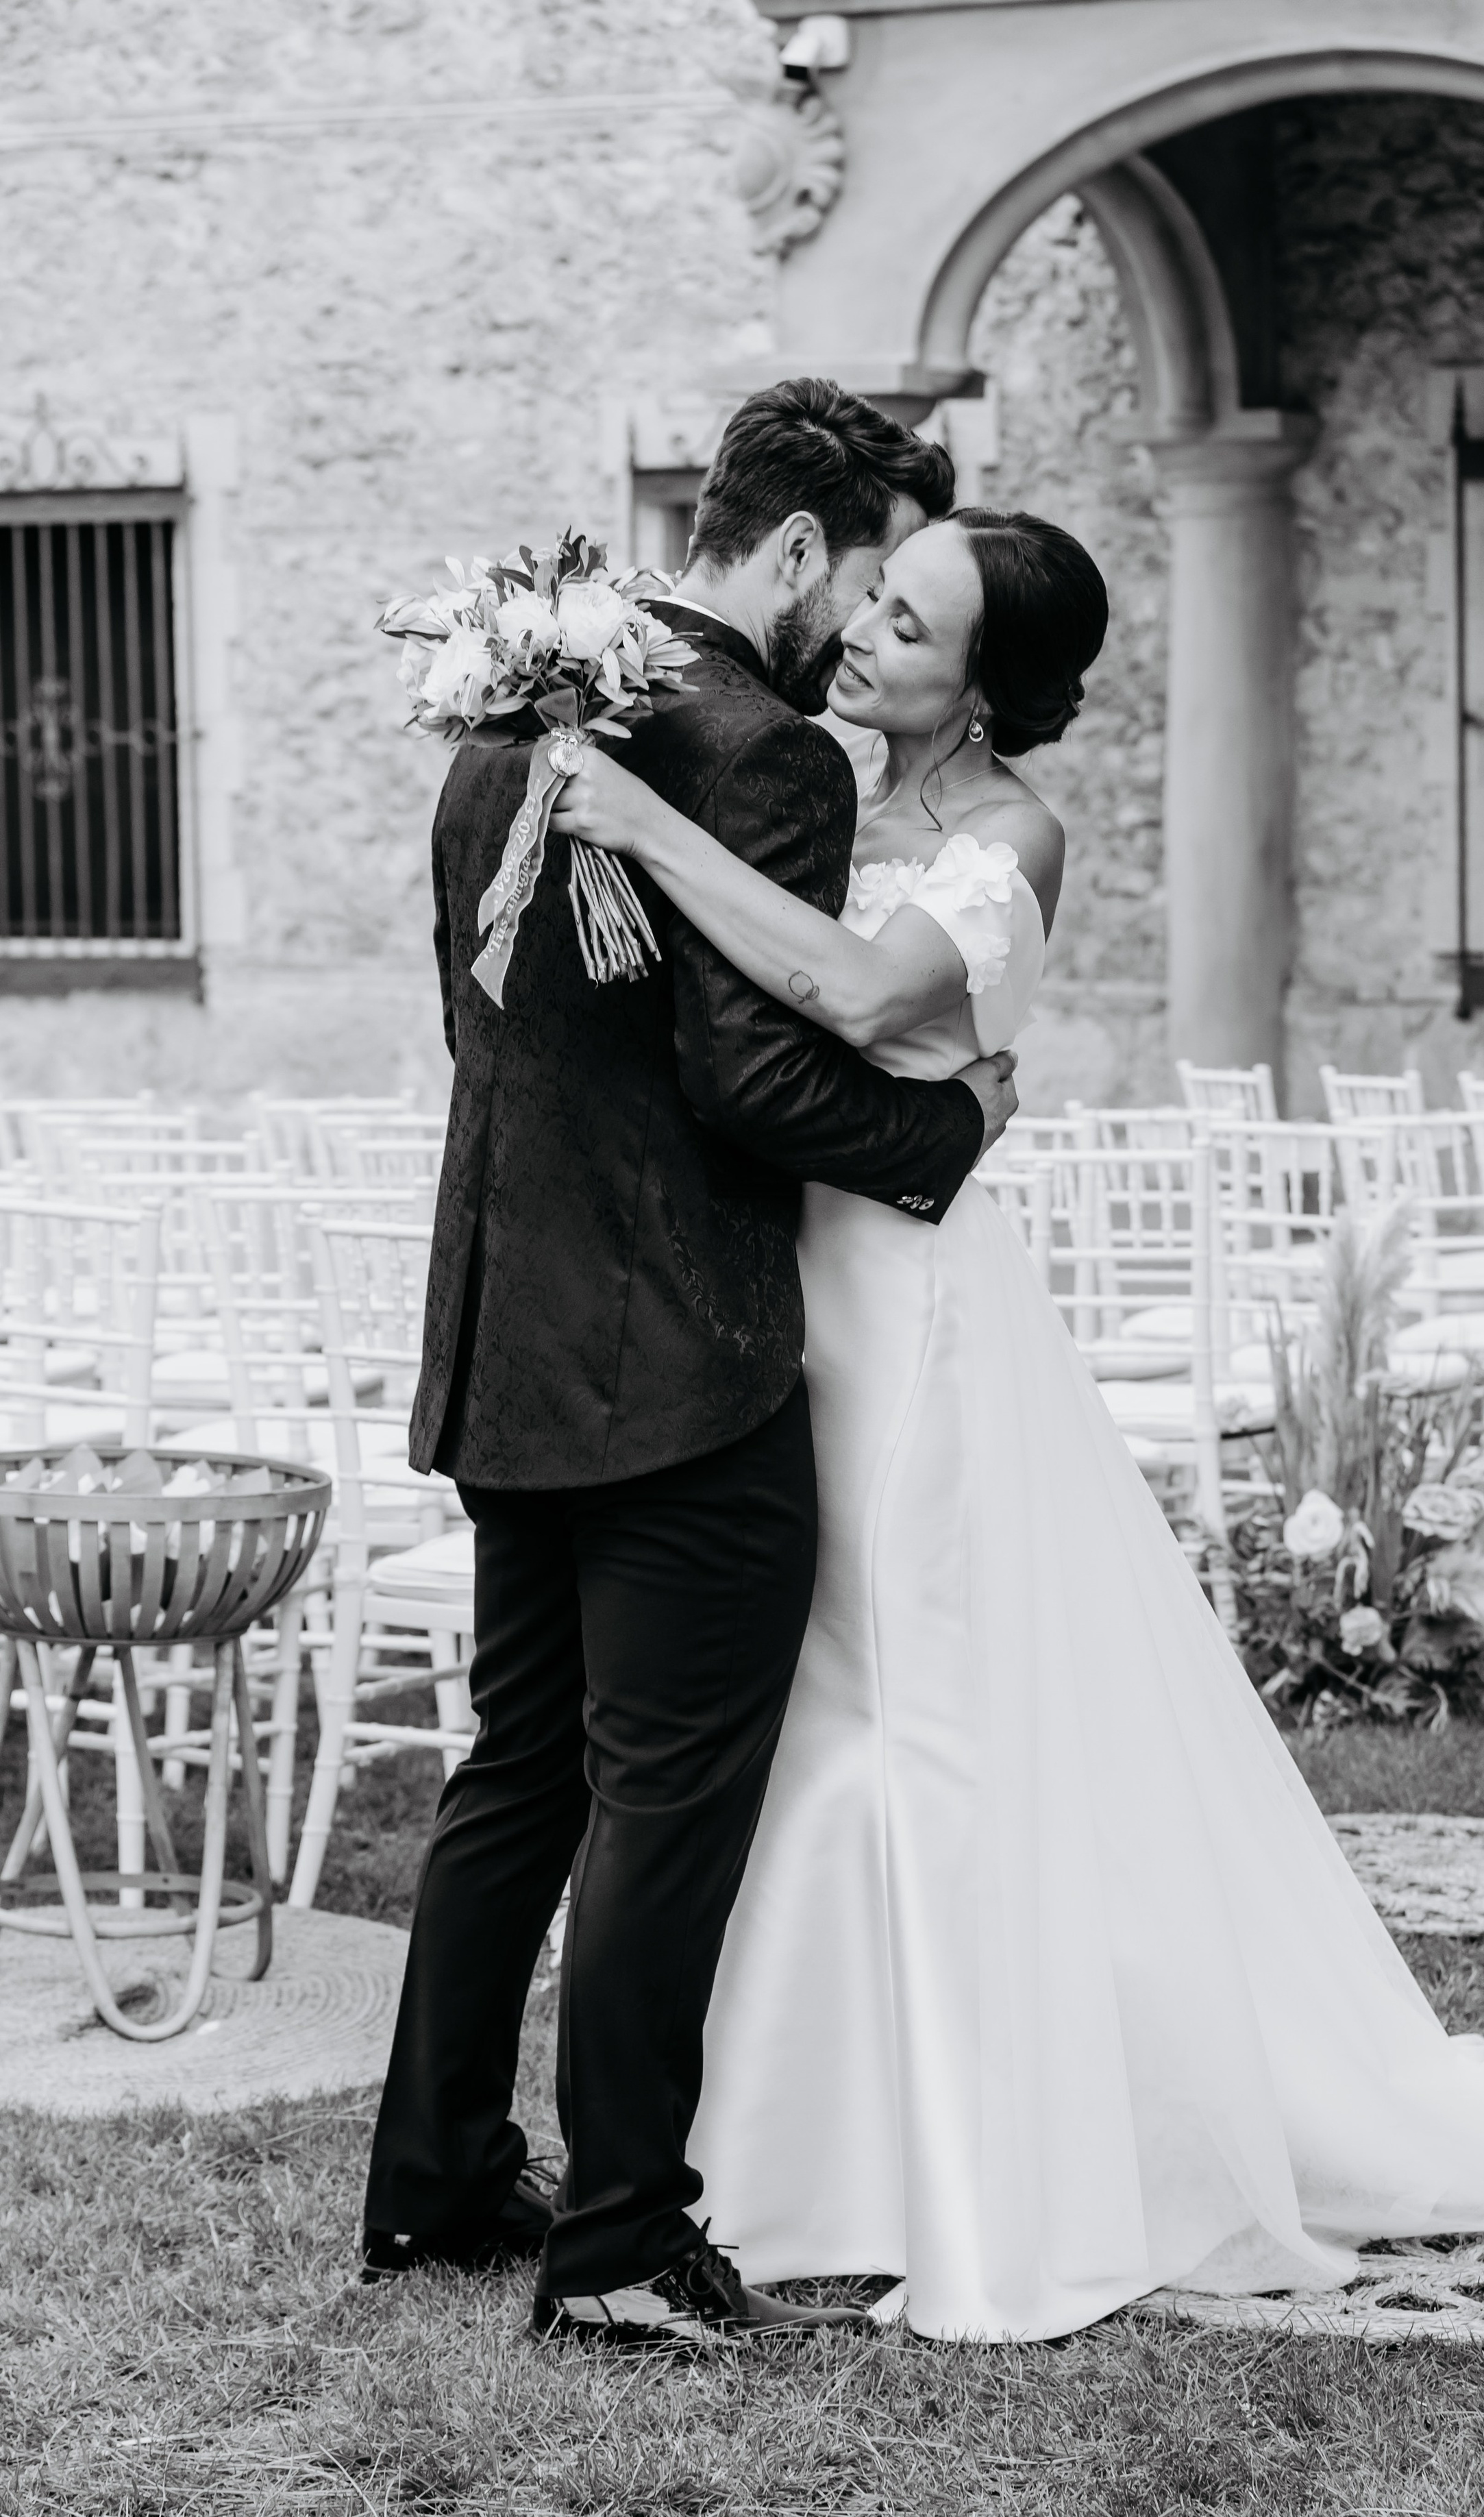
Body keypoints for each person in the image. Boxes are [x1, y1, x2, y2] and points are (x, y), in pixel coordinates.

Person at [554, 502, 1484, 2344]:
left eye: (915, 629)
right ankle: (811, 2143)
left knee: (937, 1711)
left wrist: (638, 826)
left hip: (918, 1304)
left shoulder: (1012, 832)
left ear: (984, 691)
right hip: (786, 1296)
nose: (869, 633)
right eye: (876, 598)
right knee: (825, 1712)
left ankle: (990, 2157)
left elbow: (862, 989)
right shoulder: (806, 795)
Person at [360, 380, 1023, 2350]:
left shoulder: (514, 722)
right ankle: (625, 2238)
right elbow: (749, 1072)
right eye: (864, 579)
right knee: (668, 1797)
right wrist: (946, 1130)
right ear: (799, 551)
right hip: (685, 1361)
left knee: (521, 1772)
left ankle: (439, 2180)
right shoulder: (770, 756)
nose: (858, 633)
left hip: (508, 1329)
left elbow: (492, 1024)